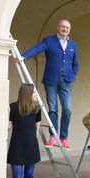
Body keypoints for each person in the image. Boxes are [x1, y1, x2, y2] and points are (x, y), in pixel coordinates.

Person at [22, 19, 79, 149]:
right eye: (63, 27)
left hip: (66, 81)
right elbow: (37, 49)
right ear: (58, 27)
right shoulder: (49, 40)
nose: (65, 29)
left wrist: (72, 76)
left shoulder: (73, 45)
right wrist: (24, 57)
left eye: (67, 27)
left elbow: (76, 63)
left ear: (69, 30)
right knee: (53, 109)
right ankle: (53, 136)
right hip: (51, 80)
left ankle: (64, 137)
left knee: (68, 109)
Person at [7, 83, 41, 178]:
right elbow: (9, 127)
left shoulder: (36, 109)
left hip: (31, 146)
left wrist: (33, 143)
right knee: (16, 176)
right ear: (27, 94)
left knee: (29, 175)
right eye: (35, 93)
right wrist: (6, 113)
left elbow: (37, 129)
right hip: (17, 146)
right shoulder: (13, 107)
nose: (37, 95)